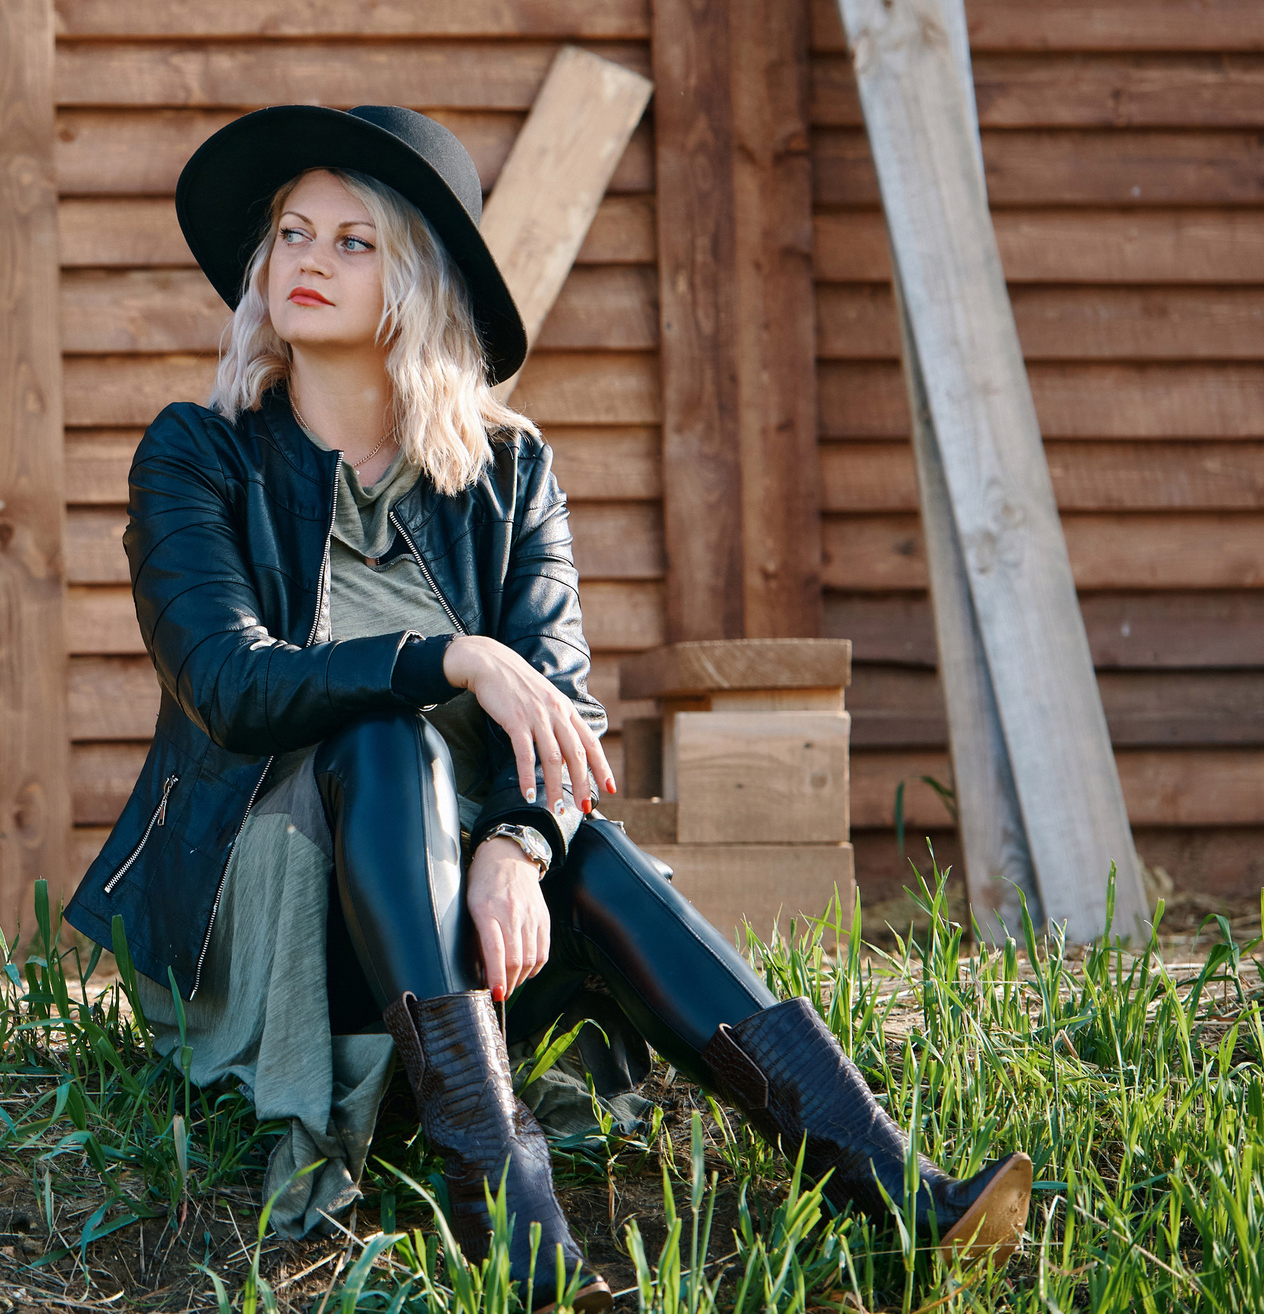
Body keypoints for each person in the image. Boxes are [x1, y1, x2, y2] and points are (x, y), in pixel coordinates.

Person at [63, 106, 1032, 1312]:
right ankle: (510, 1223)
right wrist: (451, 657)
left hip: (474, 936)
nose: (305, 261)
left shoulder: (507, 473)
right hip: (271, 909)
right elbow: (230, 686)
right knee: (381, 737)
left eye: (353, 242)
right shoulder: (198, 457)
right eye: (291, 233)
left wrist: (517, 848)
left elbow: (561, 709)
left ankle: (898, 1199)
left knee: (599, 858)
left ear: (418, 280)